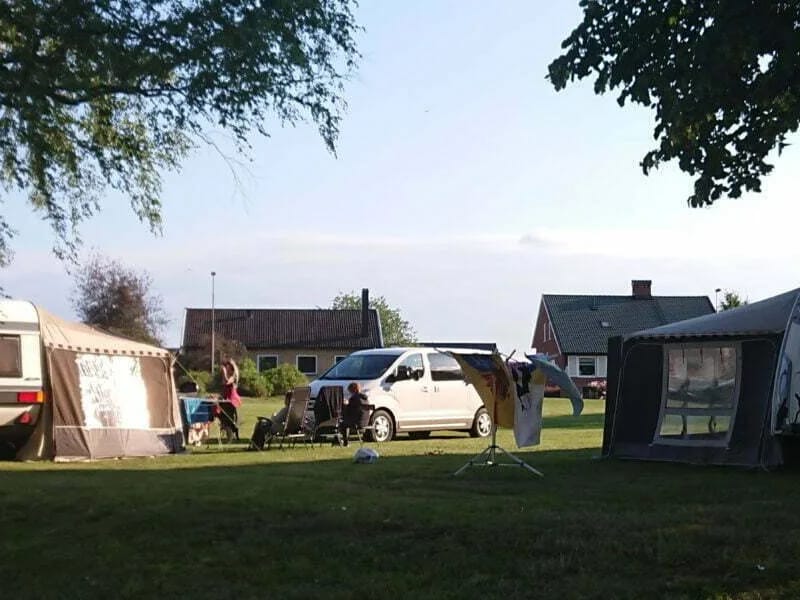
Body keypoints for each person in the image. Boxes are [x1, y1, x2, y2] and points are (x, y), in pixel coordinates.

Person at [337, 382, 369, 447]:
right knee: (345, 422)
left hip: (357, 423)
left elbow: (348, 411)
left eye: (350, 391)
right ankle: (345, 441)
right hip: (366, 422)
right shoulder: (365, 398)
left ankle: (345, 442)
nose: (350, 393)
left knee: (342, 424)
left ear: (353, 390)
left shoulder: (354, 398)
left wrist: (345, 404)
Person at [218, 357, 241, 441]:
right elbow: (224, 387)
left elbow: (227, 382)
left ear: (231, 369)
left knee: (228, 418)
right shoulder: (228, 375)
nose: (226, 370)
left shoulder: (233, 376)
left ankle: (231, 433)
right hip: (226, 400)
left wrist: (224, 373)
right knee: (223, 416)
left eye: (227, 368)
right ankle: (228, 431)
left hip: (231, 400)